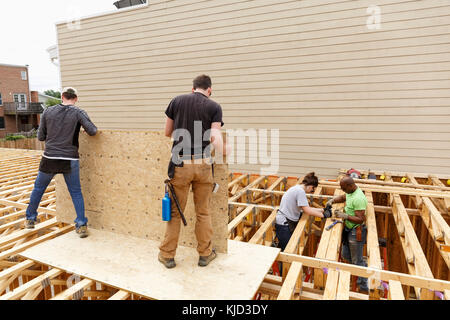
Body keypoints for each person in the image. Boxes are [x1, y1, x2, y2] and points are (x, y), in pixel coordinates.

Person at [159, 75, 227, 269]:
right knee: (203, 212)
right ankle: (205, 254)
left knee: (174, 212)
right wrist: (225, 151)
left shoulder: (177, 101)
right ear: (209, 90)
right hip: (204, 164)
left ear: (193, 88)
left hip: (180, 164)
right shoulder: (214, 107)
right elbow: (215, 137)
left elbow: (167, 132)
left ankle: (167, 256)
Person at [25, 87, 97, 238]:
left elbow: (40, 137)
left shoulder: (48, 112)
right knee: (76, 192)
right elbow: (93, 131)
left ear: (62, 96)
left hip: (49, 157)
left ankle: (30, 220)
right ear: (76, 98)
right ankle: (81, 225)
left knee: (38, 189)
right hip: (69, 159)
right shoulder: (78, 112)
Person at [327, 176, 369, 293]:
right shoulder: (350, 192)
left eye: (344, 188)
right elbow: (343, 197)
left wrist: (345, 216)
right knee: (346, 255)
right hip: (349, 229)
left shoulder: (358, 198)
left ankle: (363, 287)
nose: (343, 190)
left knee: (357, 261)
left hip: (356, 231)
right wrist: (333, 200)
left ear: (350, 186)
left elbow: (360, 219)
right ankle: (360, 268)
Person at [275, 172, 332, 251]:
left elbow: (306, 208)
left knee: (285, 247)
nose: (311, 192)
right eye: (312, 190)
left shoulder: (297, 188)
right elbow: (307, 210)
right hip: (285, 223)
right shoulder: (300, 191)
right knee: (287, 250)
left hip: (284, 221)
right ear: (311, 186)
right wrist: (324, 215)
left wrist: (323, 210)